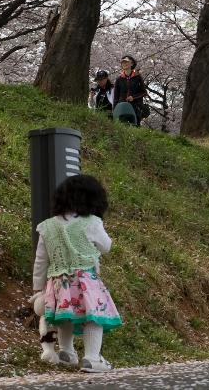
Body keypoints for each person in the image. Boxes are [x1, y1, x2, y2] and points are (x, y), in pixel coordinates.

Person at [32, 174, 122, 373]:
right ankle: (92, 359)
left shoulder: (47, 226)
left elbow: (41, 261)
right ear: (93, 198)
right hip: (85, 281)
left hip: (58, 282)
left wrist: (38, 288)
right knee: (94, 317)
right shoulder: (92, 222)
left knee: (64, 317)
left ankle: (67, 352)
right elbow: (106, 246)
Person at [114, 56, 147, 126]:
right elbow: (116, 97)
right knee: (122, 127)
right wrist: (114, 110)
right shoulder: (119, 79)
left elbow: (144, 92)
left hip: (135, 107)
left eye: (126, 62)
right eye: (123, 62)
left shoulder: (138, 77)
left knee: (136, 127)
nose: (124, 63)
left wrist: (133, 97)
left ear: (132, 64)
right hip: (122, 107)